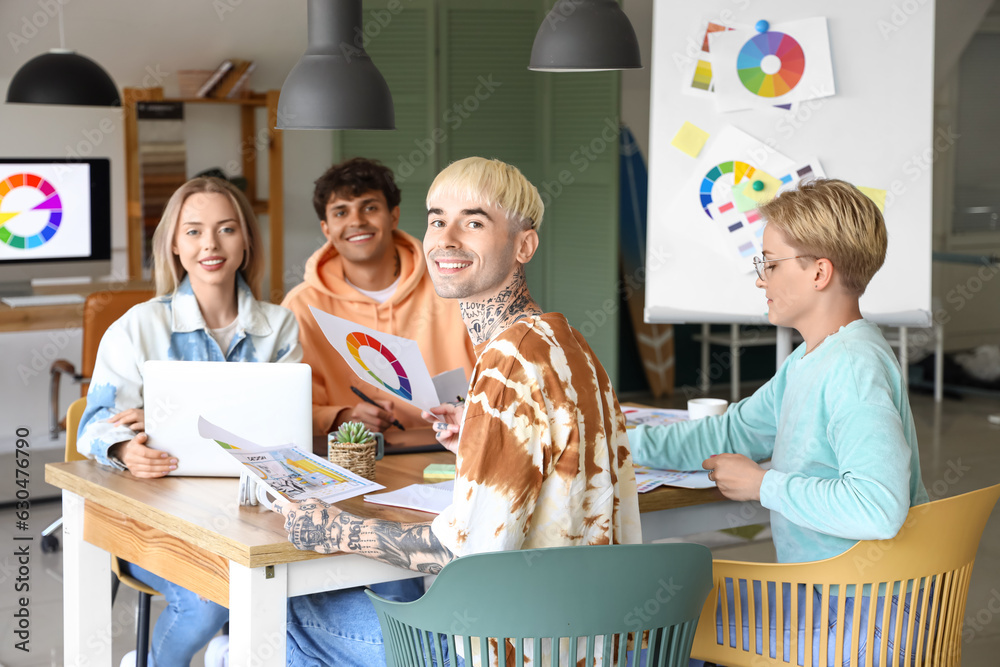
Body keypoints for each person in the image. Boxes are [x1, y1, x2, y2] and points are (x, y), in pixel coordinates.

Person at [270, 157, 642, 666]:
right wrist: (477, 437)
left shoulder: (506, 364)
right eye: (436, 218)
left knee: (284, 615)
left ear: (523, 246)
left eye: (473, 221)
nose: (445, 238)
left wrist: (329, 528)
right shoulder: (567, 343)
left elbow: (460, 553)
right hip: (594, 639)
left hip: (514, 649)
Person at [627, 179, 929, 665]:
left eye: (769, 263)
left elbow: (879, 506)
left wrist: (762, 485)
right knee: (670, 612)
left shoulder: (851, 367)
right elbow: (730, 432)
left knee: (660, 625)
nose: (760, 279)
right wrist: (618, 443)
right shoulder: (813, 359)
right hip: (834, 595)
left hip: (863, 617)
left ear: (819, 273)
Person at [76, 177, 302, 667]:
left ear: (245, 242)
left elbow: (287, 433)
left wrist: (168, 414)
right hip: (157, 520)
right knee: (205, 601)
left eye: (226, 229)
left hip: (253, 519)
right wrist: (123, 448)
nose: (210, 245)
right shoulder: (137, 327)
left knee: (310, 585)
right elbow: (92, 425)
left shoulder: (279, 326)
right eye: (194, 232)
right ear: (175, 245)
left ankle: (230, 650)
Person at [281, 157, 476, 443]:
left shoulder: (452, 285)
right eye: (340, 212)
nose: (356, 221)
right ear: (326, 229)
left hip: (452, 451)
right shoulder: (300, 307)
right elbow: (288, 409)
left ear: (393, 215)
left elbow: (498, 385)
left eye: (369, 208)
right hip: (348, 456)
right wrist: (343, 417)